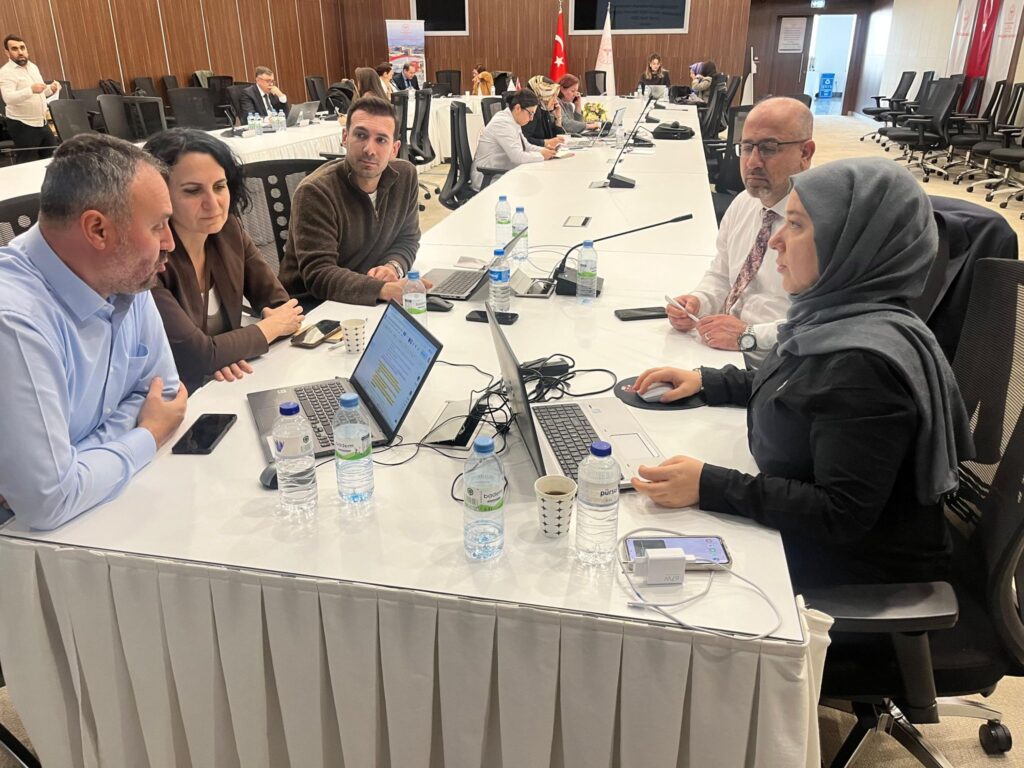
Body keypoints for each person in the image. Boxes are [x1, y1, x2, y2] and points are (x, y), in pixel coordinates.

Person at [631, 157, 974, 590]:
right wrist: (710, 381)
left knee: (639, 562)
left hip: (858, 571)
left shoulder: (865, 367)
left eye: (795, 225)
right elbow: (804, 389)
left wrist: (710, 484)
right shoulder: (837, 316)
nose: (776, 240)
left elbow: (839, 513)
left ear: (849, 243)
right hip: (810, 531)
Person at [0, 133, 188, 530]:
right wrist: (147, 434)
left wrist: (73, 459)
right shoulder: (14, 321)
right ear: (98, 230)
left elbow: (165, 393)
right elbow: (48, 502)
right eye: (158, 226)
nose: (170, 242)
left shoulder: (124, 275)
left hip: (96, 510)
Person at [144, 129, 305, 394]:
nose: (213, 203)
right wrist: (265, 330)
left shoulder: (229, 230)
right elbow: (198, 357)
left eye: (220, 186)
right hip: (177, 398)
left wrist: (229, 351)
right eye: (193, 191)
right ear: (159, 196)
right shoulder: (148, 260)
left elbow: (282, 307)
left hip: (229, 382)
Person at [666, 97, 815, 353]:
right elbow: (722, 274)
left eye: (769, 148)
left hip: (778, 361)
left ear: (805, 153)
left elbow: (827, 323)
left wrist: (749, 336)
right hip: (724, 347)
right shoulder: (744, 202)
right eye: (746, 147)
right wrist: (699, 301)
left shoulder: (824, 222)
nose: (752, 162)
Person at [278, 96, 425, 306]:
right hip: (313, 307)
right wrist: (381, 289)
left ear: (394, 149)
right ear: (345, 137)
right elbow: (319, 274)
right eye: (361, 135)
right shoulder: (315, 192)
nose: (369, 150)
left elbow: (407, 239)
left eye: (381, 140)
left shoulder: (405, 177)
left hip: (366, 297)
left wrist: (392, 267)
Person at [470, 89, 556, 191]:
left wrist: (544, 151)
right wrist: (542, 156)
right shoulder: (503, 123)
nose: (531, 118)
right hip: (487, 178)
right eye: (530, 113)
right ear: (518, 108)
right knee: (537, 186)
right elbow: (517, 157)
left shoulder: (513, 120)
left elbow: (526, 146)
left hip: (500, 173)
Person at [0, 34, 60, 162]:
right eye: (15, 49)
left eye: (22, 48)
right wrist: (30, 90)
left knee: (52, 158)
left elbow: (40, 92)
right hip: (22, 124)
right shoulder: (5, 72)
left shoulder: (33, 67)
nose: (20, 52)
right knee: (27, 162)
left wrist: (51, 89)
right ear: (7, 52)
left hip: (41, 122)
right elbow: (8, 98)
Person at [522, 75, 566, 148]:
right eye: (552, 96)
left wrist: (558, 119)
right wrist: (545, 143)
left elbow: (553, 137)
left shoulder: (543, 109)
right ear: (543, 95)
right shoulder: (532, 112)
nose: (556, 101)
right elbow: (524, 140)